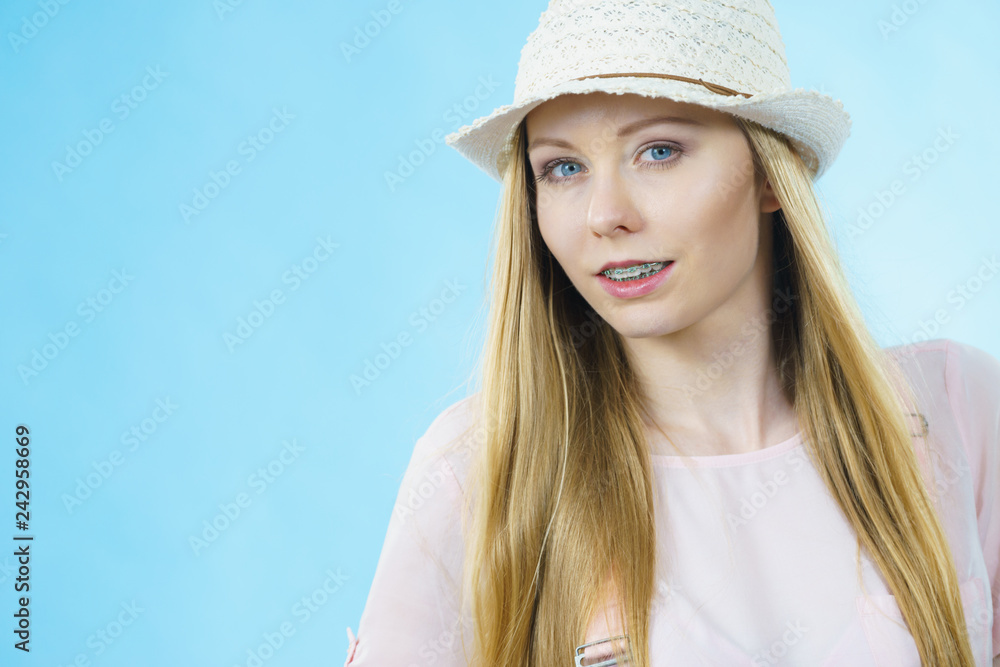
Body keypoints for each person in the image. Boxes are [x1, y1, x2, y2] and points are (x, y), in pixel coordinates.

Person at [343, 1, 1000, 665]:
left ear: (770, 173)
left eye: (659, 151)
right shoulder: (477, 470)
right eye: (563, 168)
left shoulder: (954, 405)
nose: (605, 215)